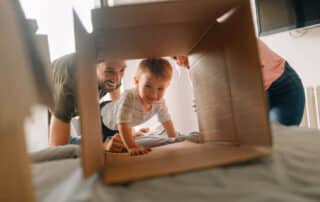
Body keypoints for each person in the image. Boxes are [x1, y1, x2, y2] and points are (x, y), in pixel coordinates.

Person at [174, 39, 305, 126]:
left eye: (178, 56)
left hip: (281, 89)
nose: (179, 63)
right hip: (255, 100)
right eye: (174, 59)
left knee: (278, 145)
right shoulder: (194, 70)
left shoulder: (225, 37)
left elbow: (242, 83)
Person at [49, 53, 126, 150]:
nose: (117, 79)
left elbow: (120, 111)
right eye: (109, 71)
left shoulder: (114, 71)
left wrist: (128, 130)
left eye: (122, 70)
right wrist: (104, 147)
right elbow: (57, 147)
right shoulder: (70, 88)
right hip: (42, 97)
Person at [100, 58, 177, 155]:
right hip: (102, 118)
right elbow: (122, 123)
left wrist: (174, 140)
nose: (153, 94)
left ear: (167, 86)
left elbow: (167, 121)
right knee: (101, 144)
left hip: (118, 122)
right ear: (136, 82)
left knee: (123, 136)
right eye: (148, 86)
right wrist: (132, 147)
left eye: (160, 88)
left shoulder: (160, 102)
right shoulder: (129, 96)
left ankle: (133, 132)